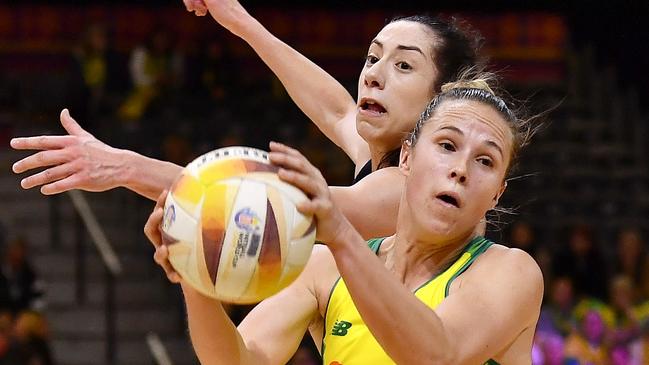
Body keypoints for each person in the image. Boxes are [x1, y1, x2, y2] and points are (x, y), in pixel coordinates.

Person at [144, 75, 544, 364]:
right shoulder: (324, 268)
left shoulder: (509, 273)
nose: (460, 169)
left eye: (485, 161)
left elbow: (436, 354)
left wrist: (339, 233)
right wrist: (194, 271)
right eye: (446, 145)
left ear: (497, 194)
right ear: (406, 157)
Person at [10, 10, 482, 239]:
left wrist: (123, 167)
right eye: (372, 58)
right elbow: (335, 109)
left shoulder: (410, 188)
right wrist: (235, 17)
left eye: (403, 66)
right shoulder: (380, 159)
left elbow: (256, 201)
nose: (373, 74)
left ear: (442, 99)